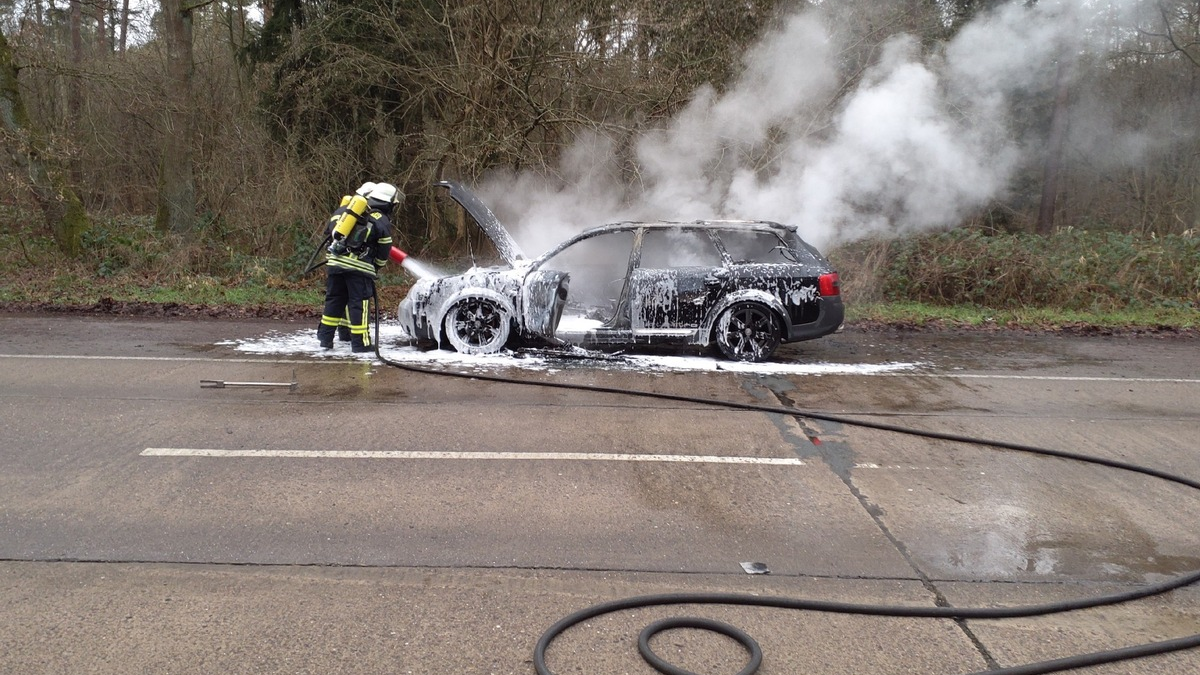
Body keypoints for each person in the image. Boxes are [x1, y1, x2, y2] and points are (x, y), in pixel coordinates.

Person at [317, 182, 401, 352]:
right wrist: (377, 266)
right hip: (358, 268)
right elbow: (385, 247)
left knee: (334, 300)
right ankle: (360, 343)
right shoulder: (379, 218)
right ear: (388, 203)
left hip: (335, 264)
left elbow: (330, 233)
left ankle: (325, 338)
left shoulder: (348, 211)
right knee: (359, 304)